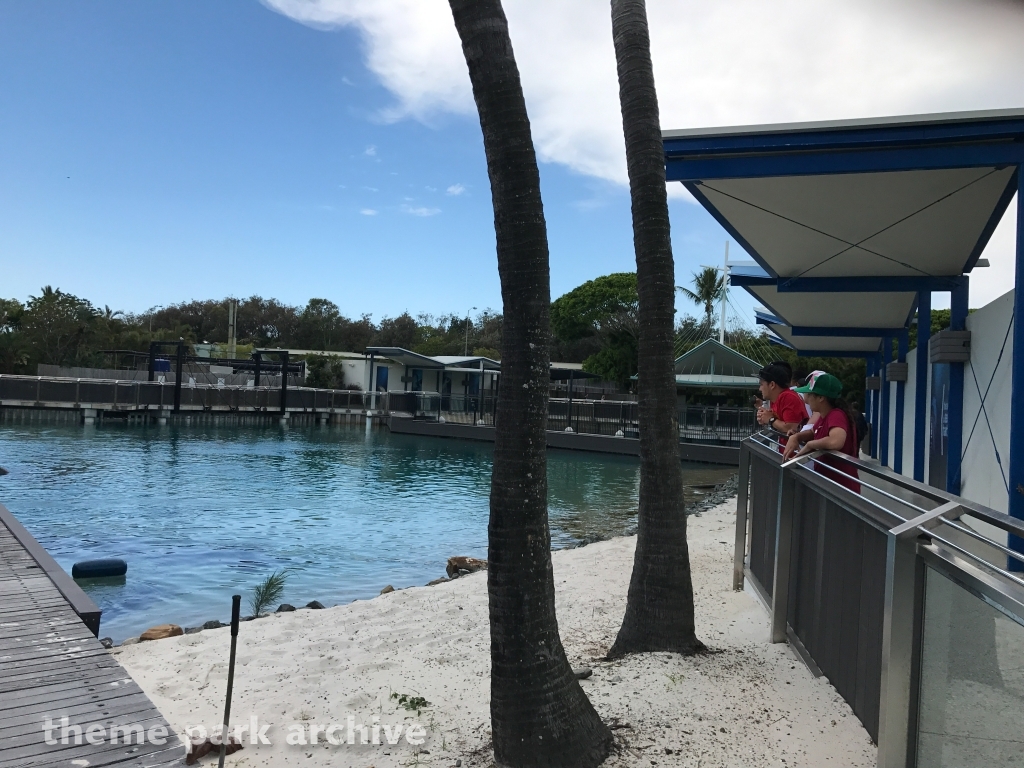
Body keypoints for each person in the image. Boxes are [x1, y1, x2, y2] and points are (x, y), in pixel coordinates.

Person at [782, 373, 860, 493]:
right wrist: (796, 436)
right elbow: (813, 432)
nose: (806, 397)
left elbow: (836, 441)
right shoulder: (825, 416)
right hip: (829, 485)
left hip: (841, 489)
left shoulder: (836, 415)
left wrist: (811, 445)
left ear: (821, 398)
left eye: (809, 393)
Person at [756, 362, 806, 449]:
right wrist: (765, 418)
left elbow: (791, 428)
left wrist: (770, 419)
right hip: (789, 454)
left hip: (798, 457)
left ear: (772, 385)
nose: (759, 389)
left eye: (761, 384)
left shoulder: (788, 397)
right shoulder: (777, 398)